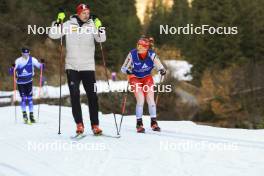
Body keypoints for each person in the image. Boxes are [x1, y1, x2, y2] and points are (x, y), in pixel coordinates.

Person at [48, 4, 106, 135]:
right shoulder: (68, 24)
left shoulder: (92, 25)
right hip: (72, 66)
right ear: (78, 13)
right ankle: (79, 124)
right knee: (74, 95)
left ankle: (95, 125)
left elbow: (102, 38)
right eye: (84, 12)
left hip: (88, 67)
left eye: (88, 12)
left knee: (92, 96)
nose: (87, 15)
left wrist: (99, 26)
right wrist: (58, 21)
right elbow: (53, 35)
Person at [121, 37, 166, 133]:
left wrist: (162, 70)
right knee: (141, 99)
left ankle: (154, 122)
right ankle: (139, 124)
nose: (138, 47)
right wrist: (127, 70)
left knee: (150, 99)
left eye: (141, 46)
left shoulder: (151, 55)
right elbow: (123, 68)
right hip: (134, 78)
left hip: (147, 78)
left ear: (146, 48)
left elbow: (160, 66)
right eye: (138, 45)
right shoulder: (132, 54)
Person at [11, 48, 44, 124]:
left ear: (29, 53)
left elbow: (40, 66)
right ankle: (24, 115)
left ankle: (31, 116)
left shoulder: (32, 59)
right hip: (20, 82)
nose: (25, 55)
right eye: (23, 54)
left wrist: (42, 65)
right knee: (24, 98)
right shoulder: (18, 61)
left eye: (27, 54)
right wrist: (12, 69)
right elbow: (13, 70)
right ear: (21, 54)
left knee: (30, 99)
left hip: (29, 82)